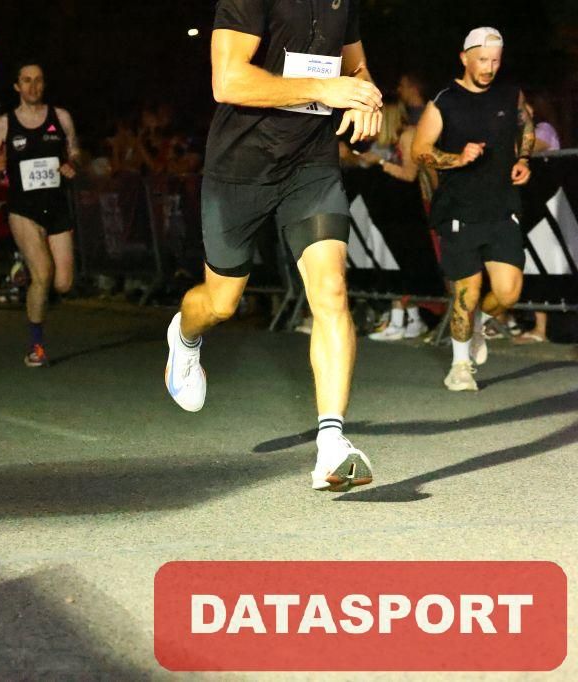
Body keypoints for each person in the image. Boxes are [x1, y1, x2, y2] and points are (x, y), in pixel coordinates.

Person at [165, 0, 382, 492]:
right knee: (220, 303)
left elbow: (355, 65)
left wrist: (365, 97)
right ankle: (185, 336)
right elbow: (228, 80)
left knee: (331, 290)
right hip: (241, 166)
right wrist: (325, 89)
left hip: (311, 165)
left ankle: (332, 445)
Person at [413, 27, 533, 391]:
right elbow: (420, 150)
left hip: (502, 208)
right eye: (482, 60)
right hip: (459, 210)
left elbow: (526, 124)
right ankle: (460, 366)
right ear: (464, 58)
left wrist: (524, 159)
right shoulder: (444, 101)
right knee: (467, 290)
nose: (489, 68)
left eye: (495, 60)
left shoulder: (510, 94)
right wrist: (457, 158)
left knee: (509, 293)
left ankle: (478, 322)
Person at [0, 61, 80, 367]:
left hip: (56, 207)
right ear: (17, 86)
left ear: (43, 84)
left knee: (63, 284)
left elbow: (76, 151)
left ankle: (26, 268)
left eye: (38, 80)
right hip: (23, 209)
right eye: (26, 80)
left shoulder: (61, 118)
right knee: (43, 273)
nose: (33, 86)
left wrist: (72, 164)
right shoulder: (3, 125)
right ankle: (36, 347)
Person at [356, 102, 431, 341]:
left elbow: (409, 174)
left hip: (418, 209)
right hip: (399, 210)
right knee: (401, 264)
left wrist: (380, 163)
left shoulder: (408, 135)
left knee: (409, 264)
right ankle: (409, 320)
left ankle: (404, 321)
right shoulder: (392, 140)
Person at [514, 93, 562, 345]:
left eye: (521, 108)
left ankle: (544, 328)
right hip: (530, 208)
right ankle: (536, 325)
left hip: (550, 207)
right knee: (531, 264)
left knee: (547, 265)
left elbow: (525, 149)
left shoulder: (544, 130)